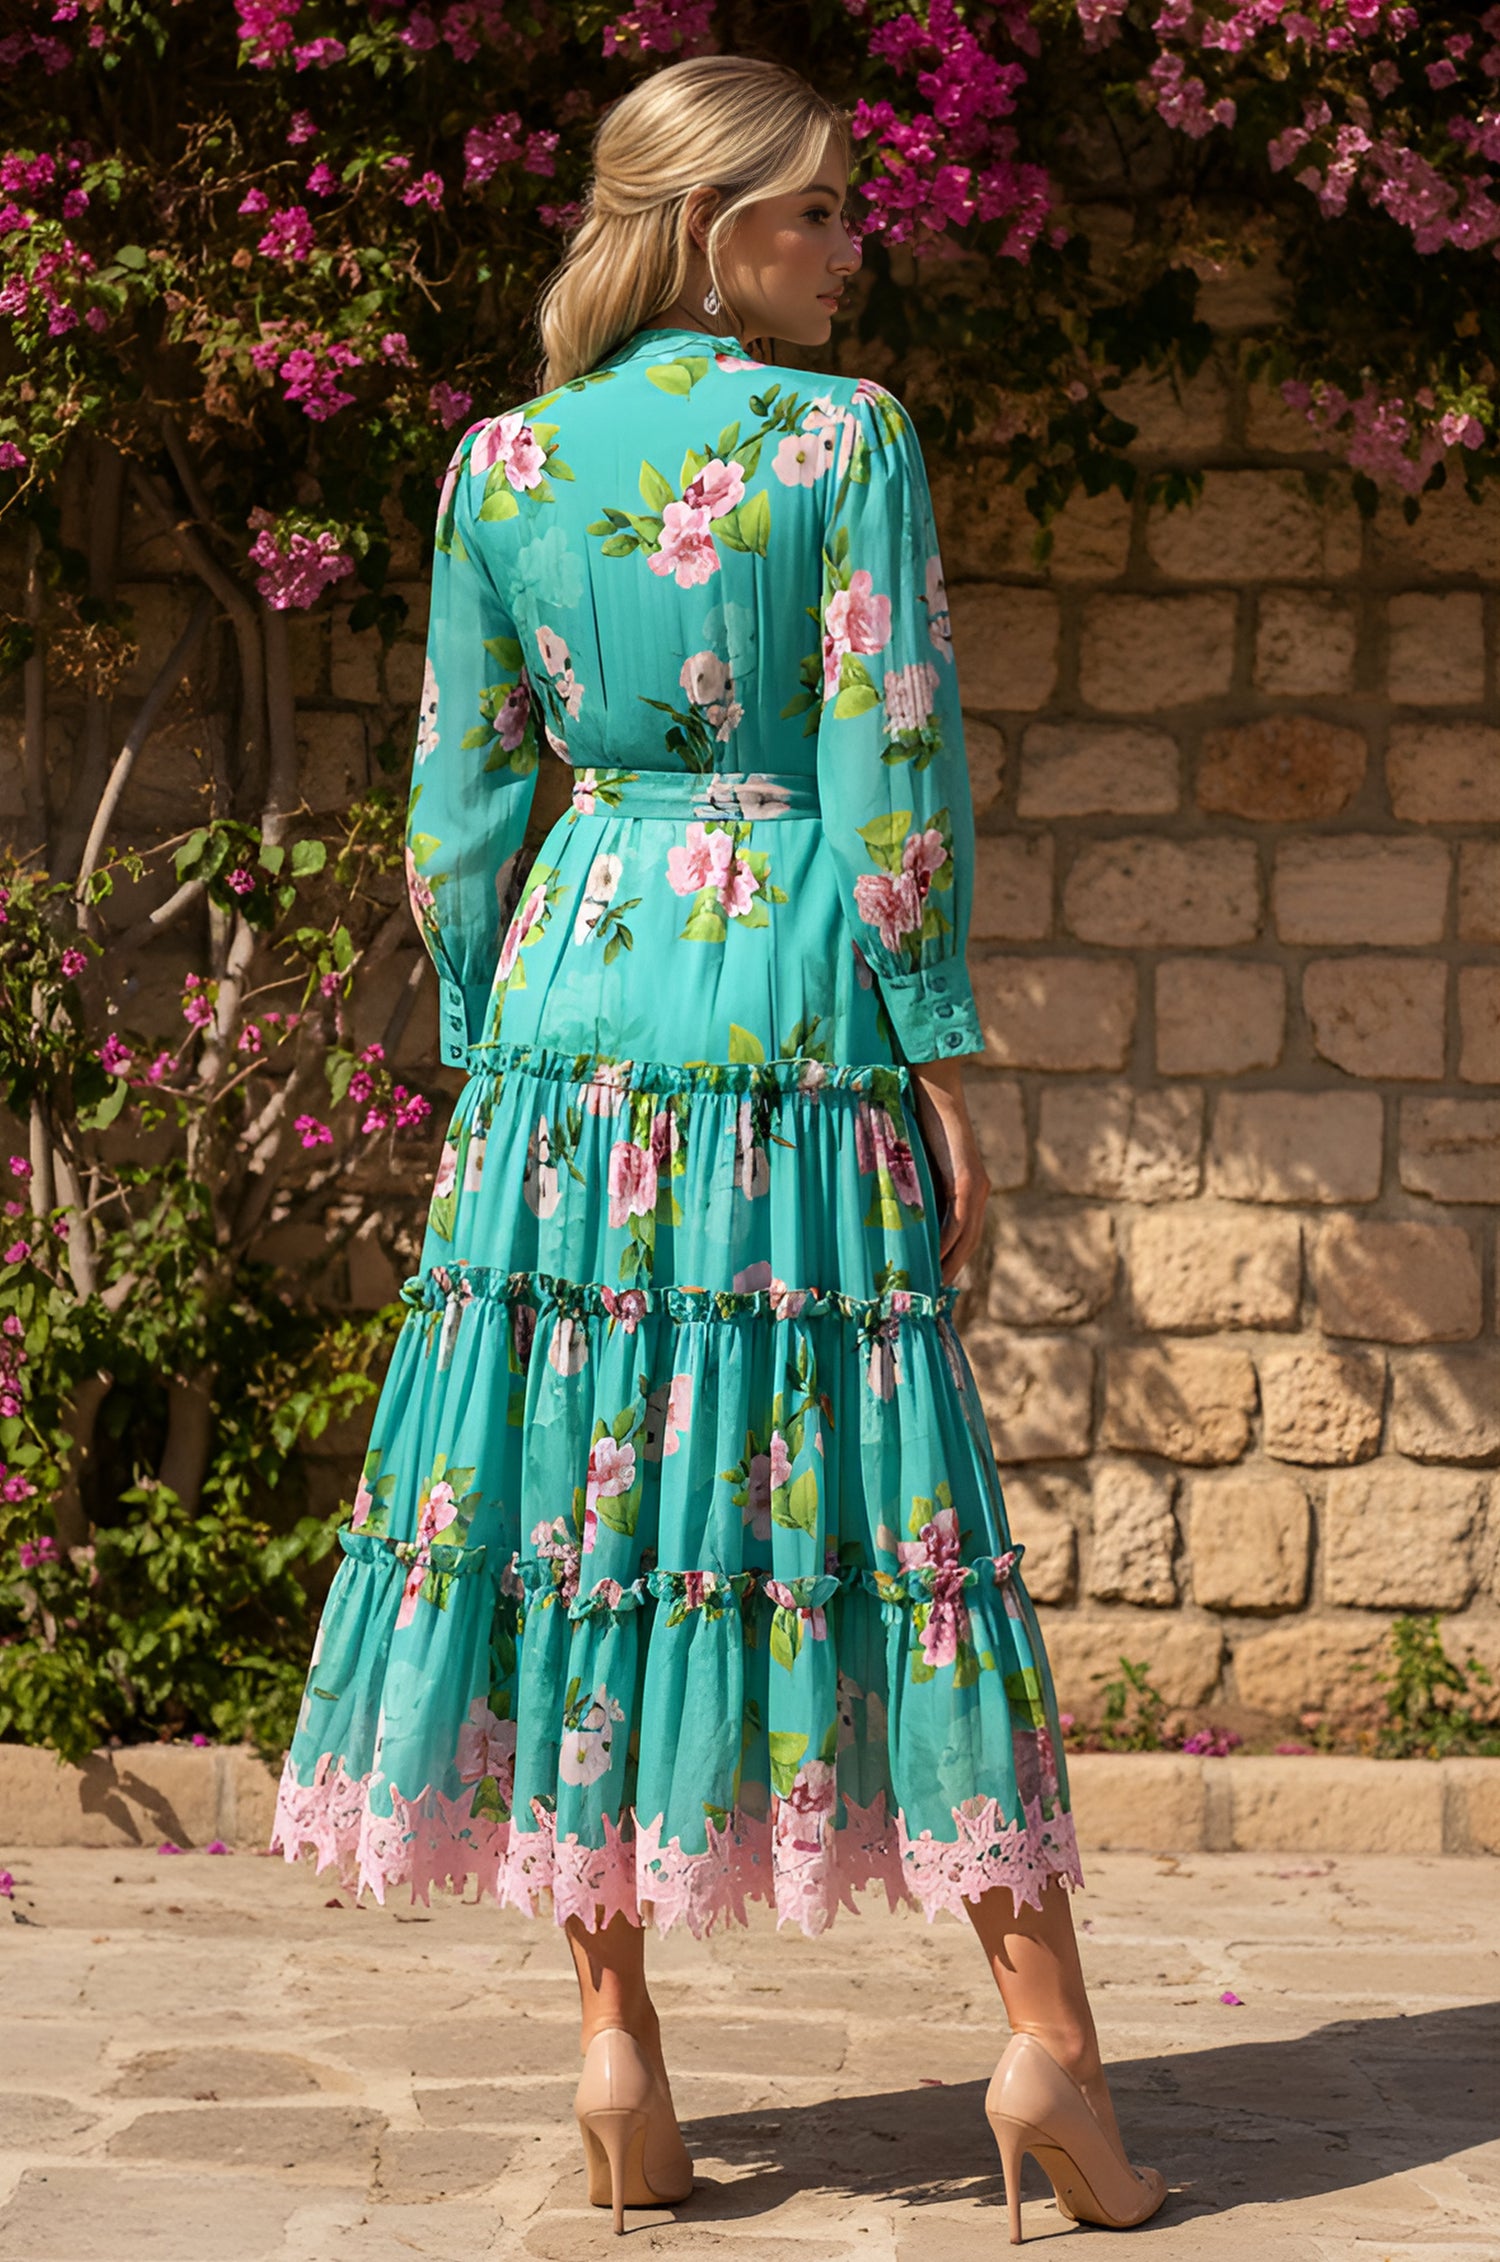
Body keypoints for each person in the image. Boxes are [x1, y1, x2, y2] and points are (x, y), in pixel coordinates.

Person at [271, 51, 1166, 2245]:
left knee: (581, 1486)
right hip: (778, 999)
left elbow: (459, 804)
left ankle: (619, 2063)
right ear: (708, 229)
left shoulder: (500, 463)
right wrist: (935, 1048)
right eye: (822, 214)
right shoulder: (839, 442)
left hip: (578, 1004)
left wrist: (493, 1041)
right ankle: (1045, 2039)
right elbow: (891, 751)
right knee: (876, 1475)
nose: (855, 248)